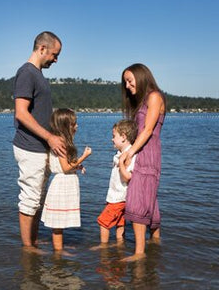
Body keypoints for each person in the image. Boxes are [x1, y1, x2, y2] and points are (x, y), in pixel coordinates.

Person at [13, 31, 66, 252]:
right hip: (30, 147)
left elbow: (40, 114)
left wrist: (56, 132)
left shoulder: (38, 75)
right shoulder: (27, 73)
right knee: (30, 200)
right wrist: (49, 137)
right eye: (54, 54)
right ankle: (28, 249)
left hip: (40, 146)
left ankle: (32, 242)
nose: (56, 59)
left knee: (37, 201)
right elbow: (21, 113)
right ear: (42, 48)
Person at [119, 63, 166, 262]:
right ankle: (156, 243)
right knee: (149, 200)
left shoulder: (155, 96)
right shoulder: (144, 100)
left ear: (141, 76)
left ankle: (139, 253)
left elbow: (147, 130)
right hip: (143, 150)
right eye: (125, 83)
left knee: (138, 199)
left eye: (130, 81)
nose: (128, 86)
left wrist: (129, 152)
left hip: (148, 153)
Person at [41, 108, 92, 253]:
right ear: (65, 126)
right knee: (57, 222)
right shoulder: (61, 142)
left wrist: (78, 166)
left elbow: (67, 165)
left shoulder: (61, 141)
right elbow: (65, 167)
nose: (77, 126)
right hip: (62, 184)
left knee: (60, 220)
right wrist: (84, 156)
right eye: (73, 124)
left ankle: (59, 246)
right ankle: (58, 251)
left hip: (64, 182)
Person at [91, 119, 138, 249]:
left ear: (123, 137)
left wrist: (121, 162)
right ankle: (119, 245)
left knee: (103, 222)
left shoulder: (129, 155)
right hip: (118, 196)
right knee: (120, 223)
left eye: (114, 136)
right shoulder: (120, 154)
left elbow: (128, 177)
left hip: (119, 197)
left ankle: (103, 246)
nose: (112, 139)